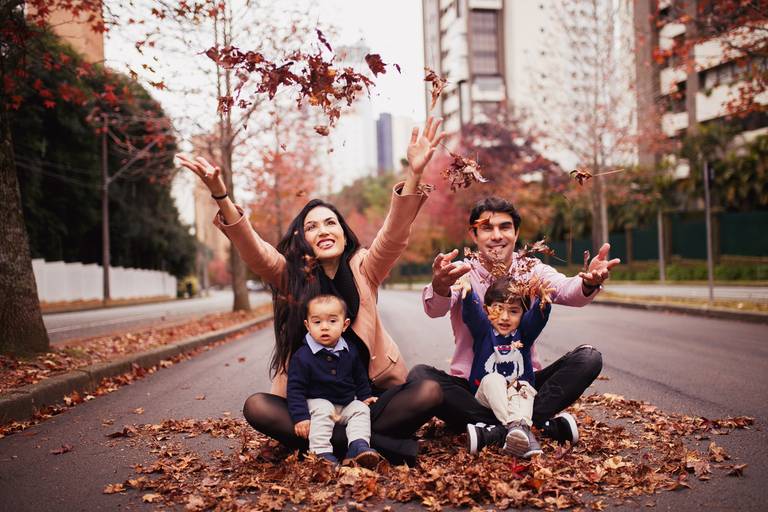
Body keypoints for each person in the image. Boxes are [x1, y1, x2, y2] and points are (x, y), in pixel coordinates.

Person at [176, 117, 447, 464]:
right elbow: (253, 250)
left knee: (428, 391)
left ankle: (334, 444)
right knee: (257, 406)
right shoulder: (290, 276)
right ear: (303, 239)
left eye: (330, 222)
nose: (323, 230)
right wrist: (221, 195)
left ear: (344, 232)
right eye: (312, 226)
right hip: (311, 405)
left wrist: (414, 174)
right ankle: (375, 445)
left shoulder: (366, 267)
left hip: (366, 397)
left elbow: (393, 234)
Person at [419, 196, 620, 452]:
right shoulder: (461, 272)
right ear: (474, 235)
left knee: (589, 358)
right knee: (421, 377)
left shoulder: (532, 269)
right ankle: (532, 425)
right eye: (486, 228)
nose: (496, 235)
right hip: (473, 388)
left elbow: (565, 289)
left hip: (524, 383)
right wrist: (439, 286)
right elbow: (435, 309)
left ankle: (495, 430)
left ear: (516, 233)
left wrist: (588, 282)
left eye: (504, 227)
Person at [461, 276, 551, 458]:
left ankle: (512, 432)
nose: (504, 317)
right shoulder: (484, 331)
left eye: (513, 311)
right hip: (487, 396)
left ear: (523, 314)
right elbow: (472, 315)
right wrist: (469, 294)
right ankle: (521, 429)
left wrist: (543, 303)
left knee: (523, 386)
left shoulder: (524, 333)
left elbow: (536, 320)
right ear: (487, 310)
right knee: (493, 379)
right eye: (498, 309)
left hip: (516, 397)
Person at [288, 295, 380, 467]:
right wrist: (300, 417)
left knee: (360, 409)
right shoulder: (302, 356)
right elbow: (295, 389)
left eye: (332, 321)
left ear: (344, 325)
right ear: (307, 326)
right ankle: (320, 453)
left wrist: (365, 396)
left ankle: (357, 447)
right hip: (316, 403)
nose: (324, 327)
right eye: (317, 322)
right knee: (323, 408)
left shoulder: (350, 350)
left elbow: (359, 376)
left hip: (345, 404)